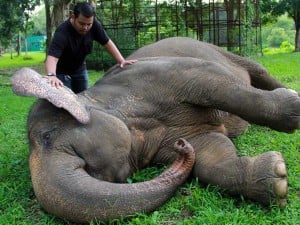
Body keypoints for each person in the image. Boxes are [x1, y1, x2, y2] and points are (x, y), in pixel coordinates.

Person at [45, 2, 137, 93]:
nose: (85, 27)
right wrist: (52, 75)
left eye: (89, 24)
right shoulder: (62, 32)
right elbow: (52, 57)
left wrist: (121, 60)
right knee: (65, 101)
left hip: (80, 70)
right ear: (73, 17)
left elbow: (107, 42)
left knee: (83, 98)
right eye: (81, 24)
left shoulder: (94, 25)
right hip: (62, 72)